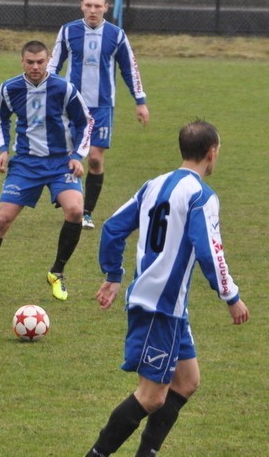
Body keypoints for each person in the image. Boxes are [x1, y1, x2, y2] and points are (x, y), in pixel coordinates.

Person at [86, 119, 249, 457]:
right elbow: (209, 250)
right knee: (151, 396)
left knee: (187, 381)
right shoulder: (202, 196)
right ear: (211, 153)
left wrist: (113, 274)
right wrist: (230, 296)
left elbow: (113, 228)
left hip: (169, 308)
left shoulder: (153, 184)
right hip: (158, 306)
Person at [0, 40, 92, 302]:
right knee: (3, 219)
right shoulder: (10, 88)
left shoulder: (64, 89)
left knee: (75, 210)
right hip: (26, 163)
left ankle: (57, 272)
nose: (35, 67)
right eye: (30, 62)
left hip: (59, 162)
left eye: (40, 61)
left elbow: (85, 122)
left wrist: (77, 156)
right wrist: (3, 148)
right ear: (22, 62)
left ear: (48, 59)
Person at [47, 0, 148, 229]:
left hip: (103, 106)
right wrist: (44, 92)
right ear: (81, 6)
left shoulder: (117, 35)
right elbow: (53, 66)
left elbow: (129, 69)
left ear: (106, 8)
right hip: (73, 105)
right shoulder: (68, 31)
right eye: (88, 5)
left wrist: (140, 101)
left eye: (97, 6)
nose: (93, 10)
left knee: (94, 158)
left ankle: (87, 212)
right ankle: (74, 203)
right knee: (71, 155)